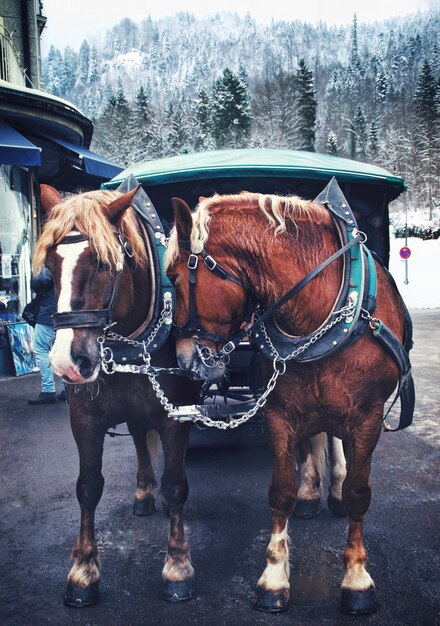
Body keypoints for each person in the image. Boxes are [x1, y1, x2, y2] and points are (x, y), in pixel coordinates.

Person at [27, 265, 66, 404]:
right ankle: (66, 390)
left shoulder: (49, 258)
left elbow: (40, 281)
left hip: (48, 313)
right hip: (65, 313)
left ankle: (48, 390)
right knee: (63, 351)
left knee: (40, 348)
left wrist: (36, 269)